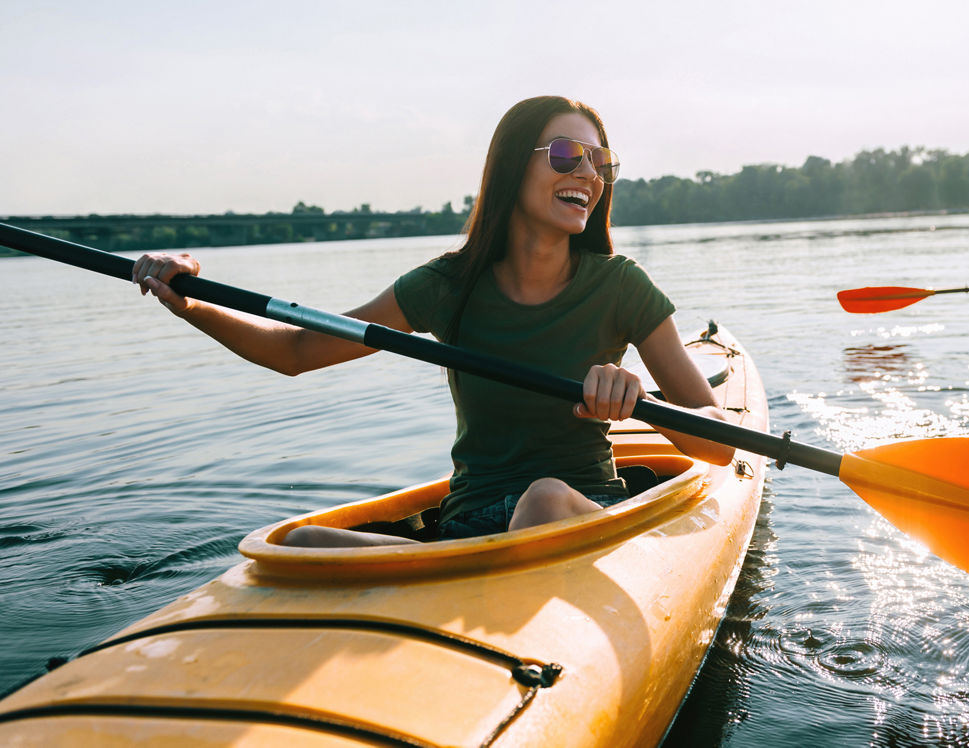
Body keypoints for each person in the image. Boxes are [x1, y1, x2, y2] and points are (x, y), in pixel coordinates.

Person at [130, 96, 734, 546]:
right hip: (468, 525)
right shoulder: (448, 285)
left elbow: (716, 443)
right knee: (297, 541)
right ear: (510, 167)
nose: (589, 174)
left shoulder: (620, 285)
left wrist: (636, 401)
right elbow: (295, 350)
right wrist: (191, 302)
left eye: (602, 162)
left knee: (543, 499)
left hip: (576, 510)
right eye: (567, 154)